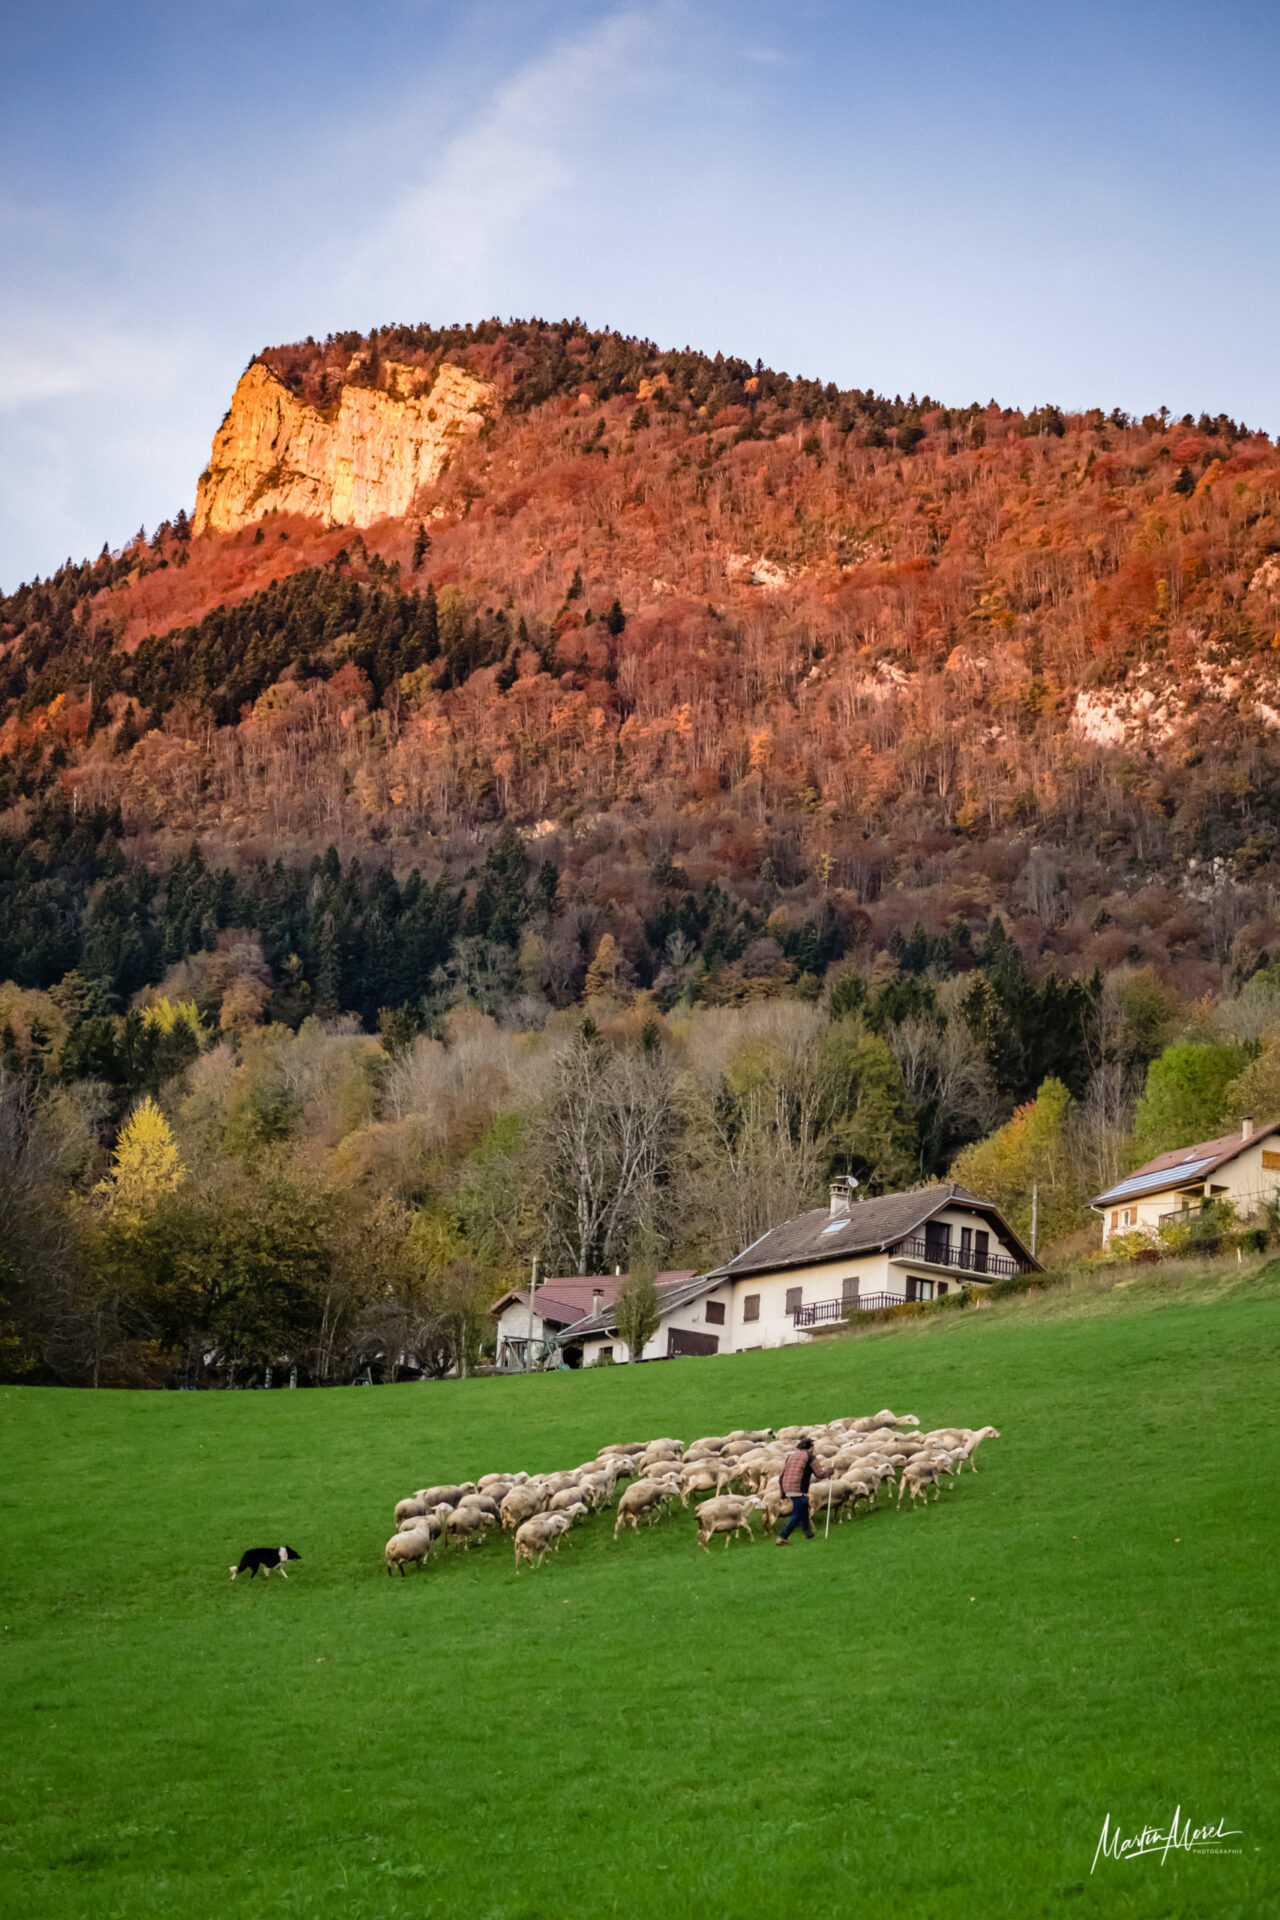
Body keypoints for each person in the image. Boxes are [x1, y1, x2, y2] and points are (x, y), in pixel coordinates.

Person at [776, 1436, 831, 1544]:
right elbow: (820, 1474)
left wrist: (783, 1494)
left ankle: (808, 1532)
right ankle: (783, 1536)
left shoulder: (790, 1456)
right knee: (797, 1514)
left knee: (804, 1505)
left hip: (787, 1486)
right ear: (811, 1448)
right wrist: (830, 1471)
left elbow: (781, 1476)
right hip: (798, 1488)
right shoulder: (810, 1457)